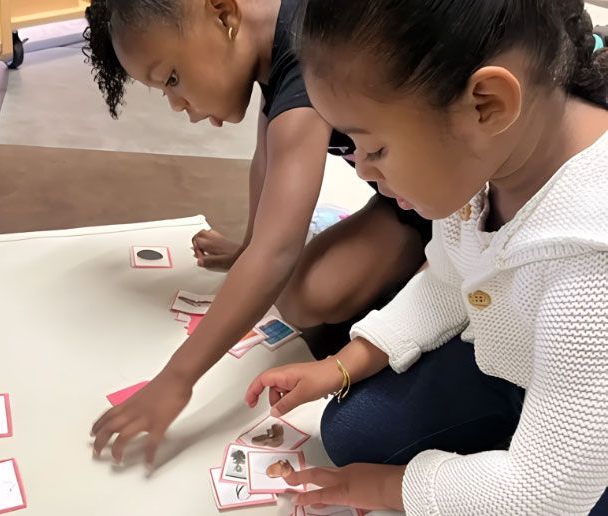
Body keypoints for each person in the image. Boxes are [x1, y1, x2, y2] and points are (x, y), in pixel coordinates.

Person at [246, 0, 608, 513]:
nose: (363, 173)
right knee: (351, 432)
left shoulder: (593, 258)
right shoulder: (491, 155)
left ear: (486, 104)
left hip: (585, 422)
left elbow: (542, 493)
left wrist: (375, 489)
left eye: (375, 149)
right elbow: (446, 278)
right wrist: (342, 366)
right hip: (520, 366)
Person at [83, 0, 430, 465]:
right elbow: (267, 160)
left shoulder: (311, 54)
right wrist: (247, 245)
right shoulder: (274, 38)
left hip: (446, 203)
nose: (178, 105)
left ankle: (430, 278)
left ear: (224, 15)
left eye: (172, 78)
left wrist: (177, 378)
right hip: (401, 193)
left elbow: (277, 253)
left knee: (303, 293)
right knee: (297, 286)